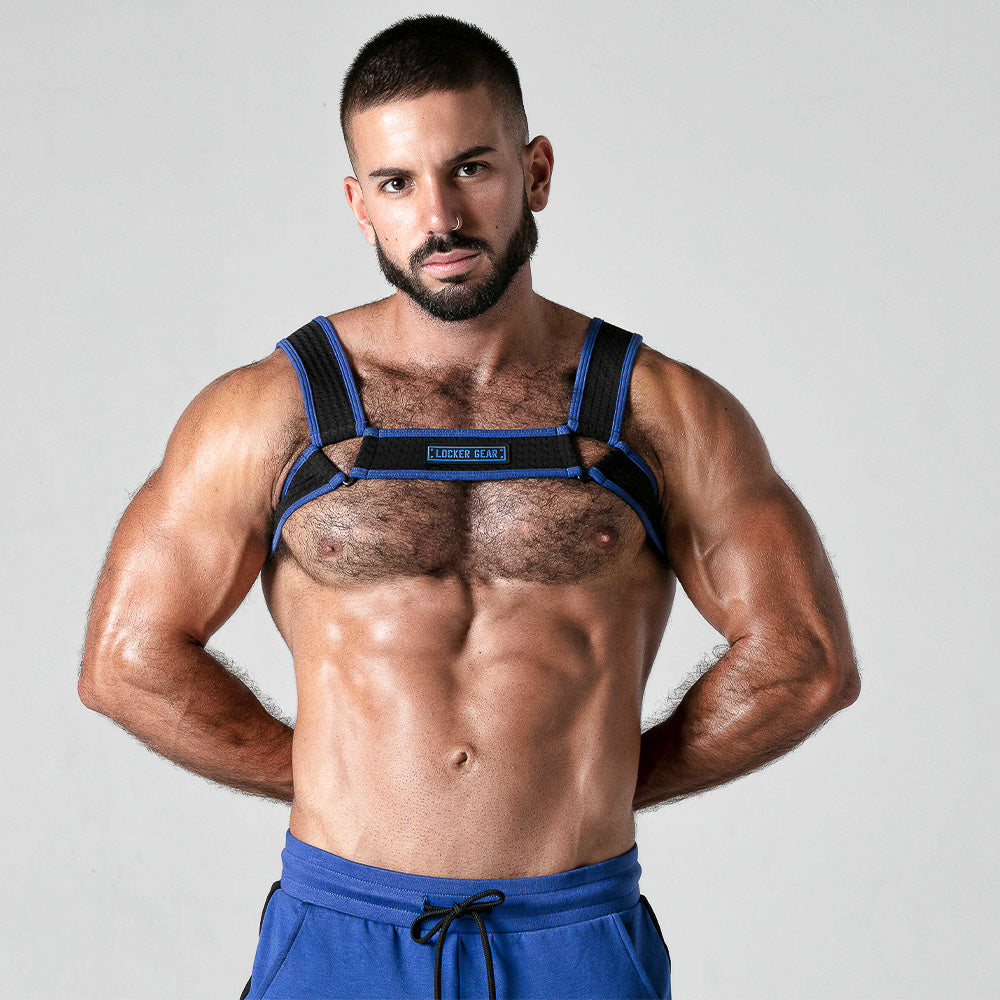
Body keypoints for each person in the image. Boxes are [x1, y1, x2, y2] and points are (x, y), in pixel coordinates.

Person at [78, 15, 860, 1000]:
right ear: (359, 205)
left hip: (572, 932)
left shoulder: (661, 411)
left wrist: (603, 779)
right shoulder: (268, 413)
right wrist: (327, 774)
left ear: (536, 171)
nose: (438, 216)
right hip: (342, 930)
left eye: (471, 169)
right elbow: (127, 662)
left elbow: (802, 658)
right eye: (397, 183)